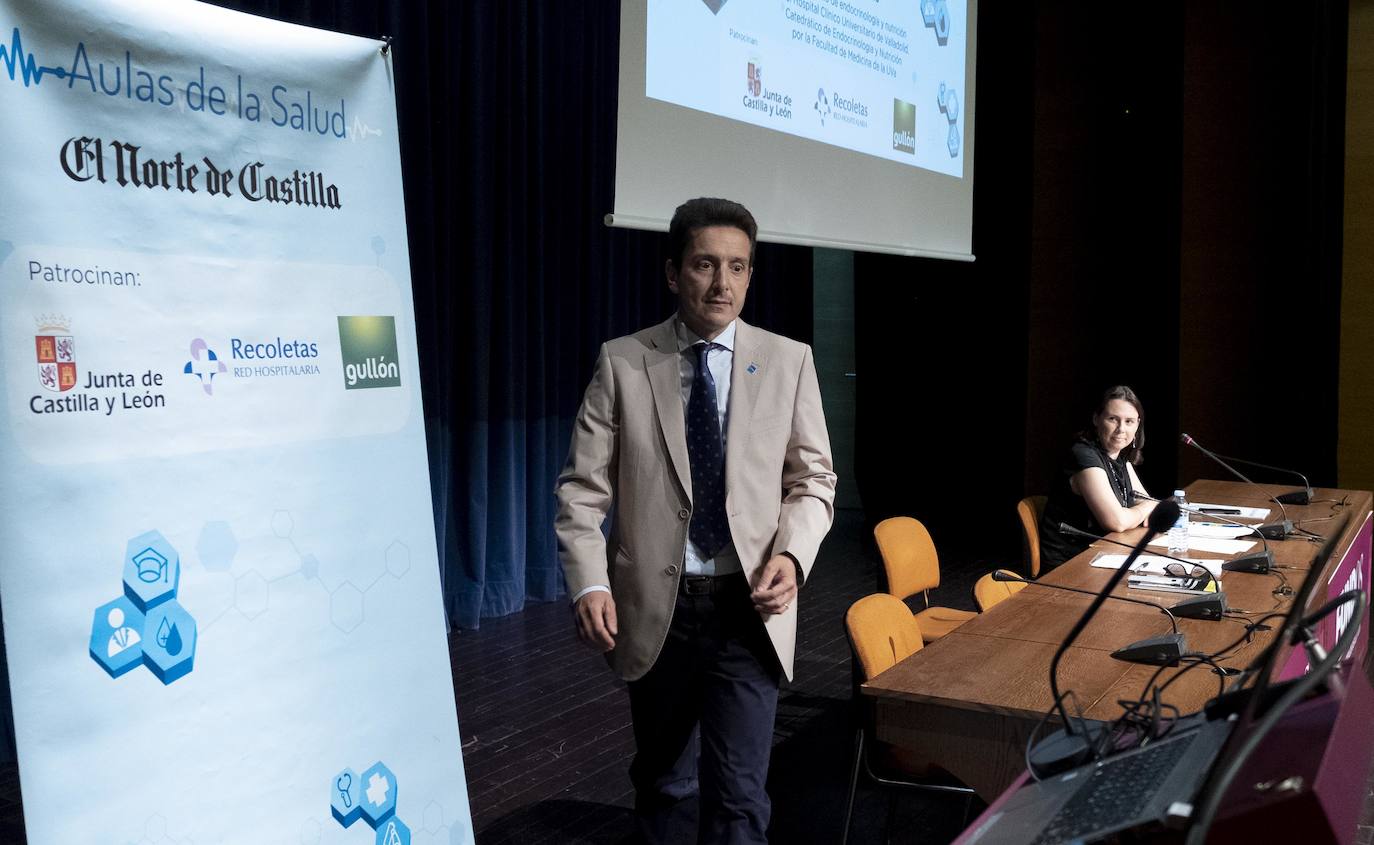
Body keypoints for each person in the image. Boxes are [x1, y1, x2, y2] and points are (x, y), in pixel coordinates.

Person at [554, 197, 836, 843]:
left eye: (738, 266)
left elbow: (814, 479)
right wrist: (590, 583)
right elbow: (582, 489)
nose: (722, 282)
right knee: (664, 784)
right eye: (706, 264)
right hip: (658, 609)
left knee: (740, 796)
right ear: (673, 272)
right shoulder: (624, 361)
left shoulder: (788, 360)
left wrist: (792, 554)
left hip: (748, 607)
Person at [1038, 385, 1158, 570]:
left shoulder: (1120, 458)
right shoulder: (1083, 455)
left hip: (1103, 556)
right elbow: (1116, 521)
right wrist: (1146, 508)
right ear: (1096, 419)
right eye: (1113, 419)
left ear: (1137, 425)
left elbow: (1147, 503)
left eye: (1129, 421)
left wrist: (1146, 507)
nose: (1121, 429)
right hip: (1069, 566)